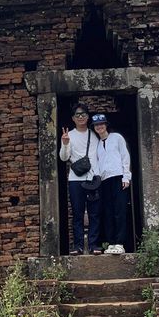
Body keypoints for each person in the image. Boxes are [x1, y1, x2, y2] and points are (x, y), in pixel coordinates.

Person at [59, 103, 102, 255]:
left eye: (83, 114)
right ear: (73, 118)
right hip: (75, 179)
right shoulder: (69, 135)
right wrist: (64, 144)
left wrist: (99, 175)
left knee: (94, 213)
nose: (81, 117)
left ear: (88, 116)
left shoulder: (94, 135)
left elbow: (99, 156)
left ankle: (93, 245)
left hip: (93, 179)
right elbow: (64, 158)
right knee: (77, 213)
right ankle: (77, 246)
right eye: (77, 115)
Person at [91, 113, 131, 254]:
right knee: (107, 212)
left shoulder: (117, 138)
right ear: (94, 128)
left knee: (119, 210)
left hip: (118, 177)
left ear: (106, 125)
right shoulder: (97, 145)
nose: (99, 127)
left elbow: (125, 157)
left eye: (101, 124)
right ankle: (111, 243)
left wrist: (126, 177)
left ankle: (120, 242)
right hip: (104, 180)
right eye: (96, 125)